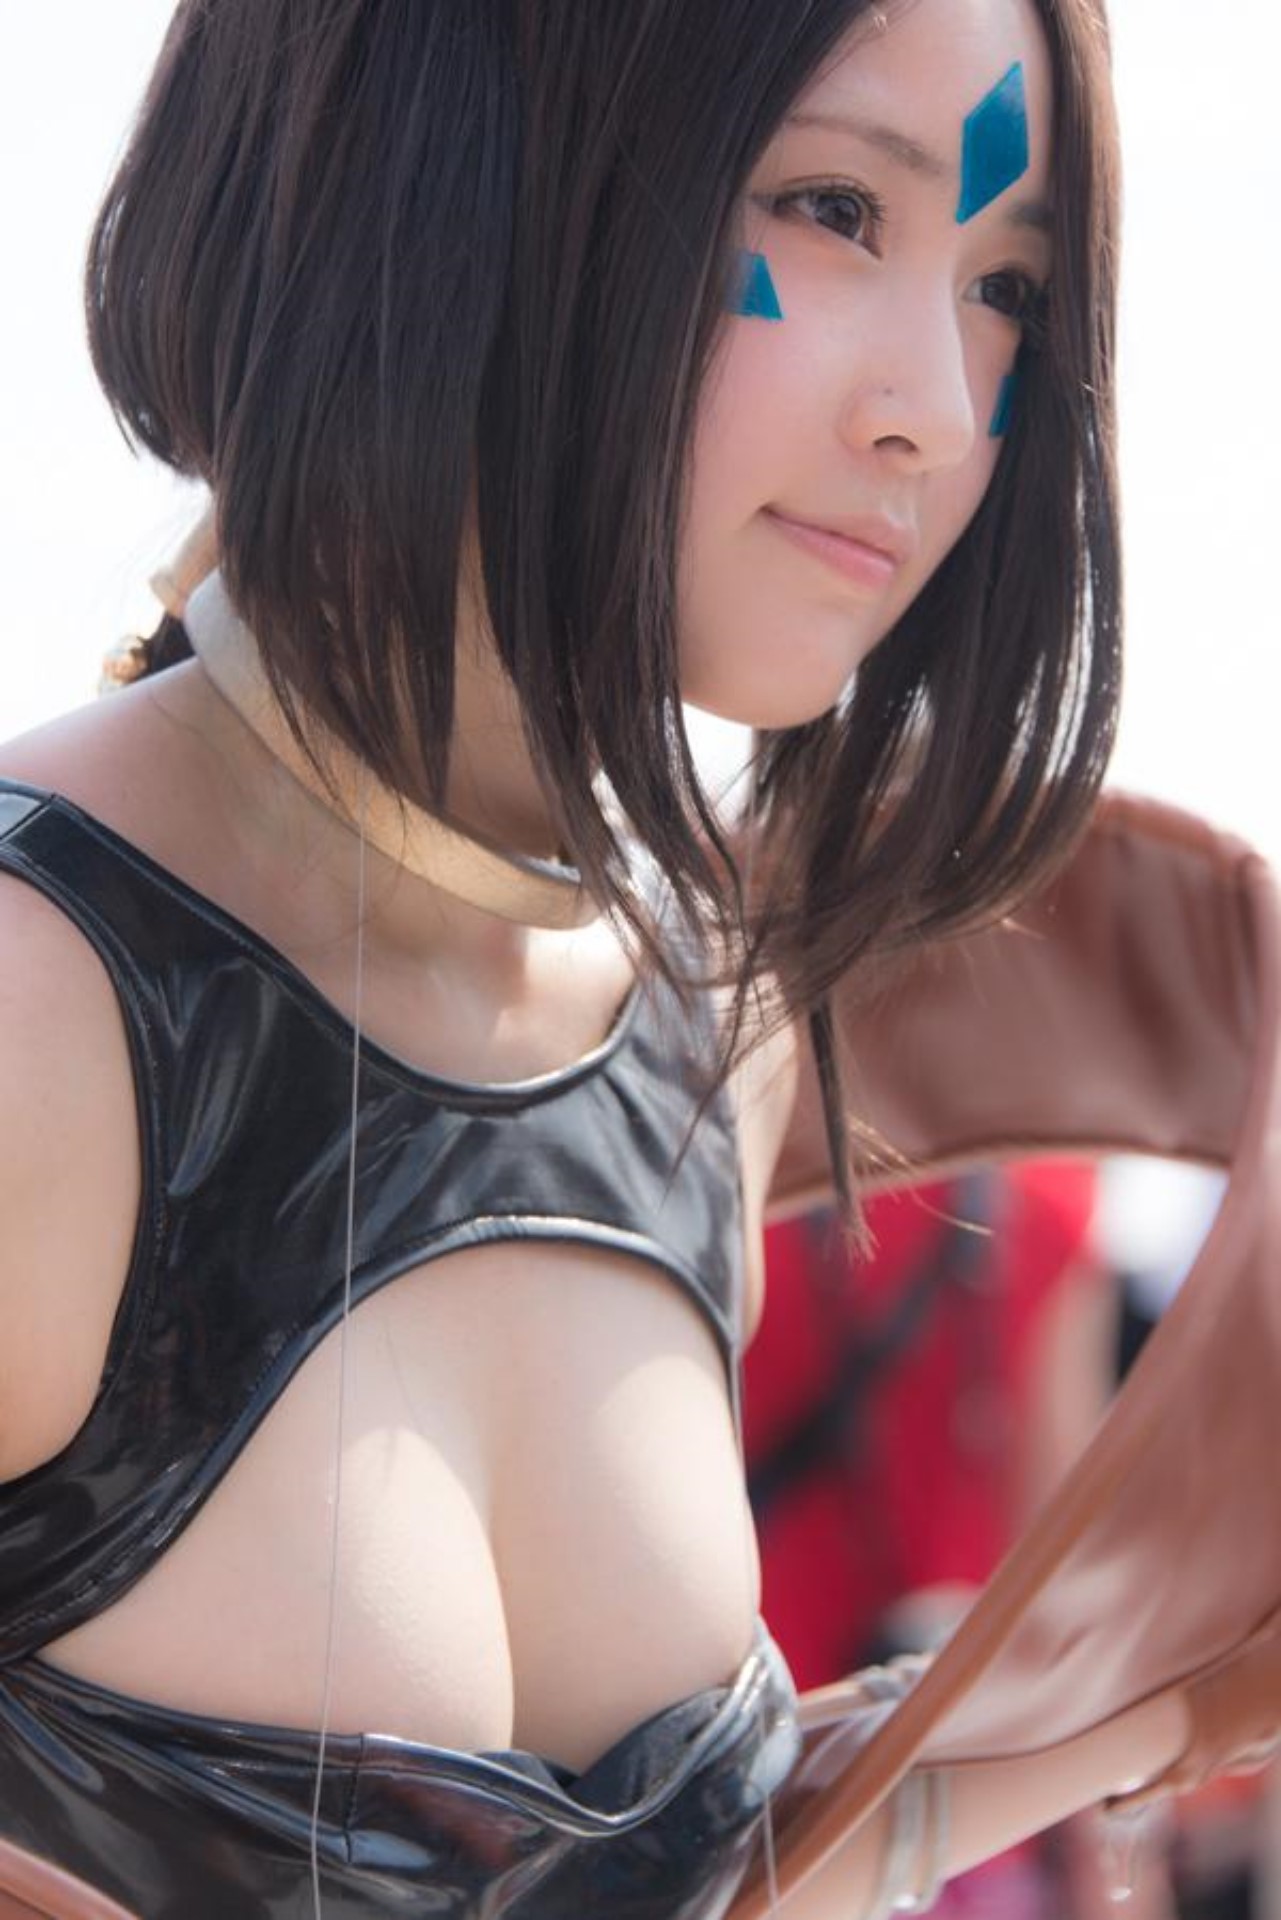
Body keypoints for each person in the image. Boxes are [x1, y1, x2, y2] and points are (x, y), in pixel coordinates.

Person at [0, 0, 1254, 1914]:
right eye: (834, 208)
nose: (934, 406)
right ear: (450, 157)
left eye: (1007, 285)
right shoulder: (39, 1004)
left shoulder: (699, 1034)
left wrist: (1104, 1715)